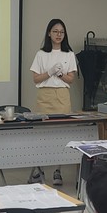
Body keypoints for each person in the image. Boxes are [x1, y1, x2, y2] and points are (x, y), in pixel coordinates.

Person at [29, 18, 78, 185]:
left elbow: (71, 79)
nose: (59, 35)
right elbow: (36, 79)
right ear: (49, 33)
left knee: (61, 133)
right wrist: (49, 72)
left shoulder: (69, 54)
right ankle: (40, 170)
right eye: (55, 31)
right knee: (42, 134)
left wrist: (60, 74)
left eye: (62, 32)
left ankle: (58, 171)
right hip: (45, 96)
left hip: (62, 96)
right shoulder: (41, 54)